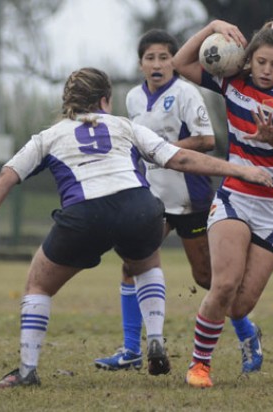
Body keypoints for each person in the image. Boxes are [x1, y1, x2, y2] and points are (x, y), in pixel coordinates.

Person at [0, 67, 272, 388]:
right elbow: (180, 159)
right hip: (138, 208)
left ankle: (28, 370)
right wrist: (239, 171)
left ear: (68, 104)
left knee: (38, 286)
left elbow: (7, 175)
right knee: (146, 263)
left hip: (85, 215)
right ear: (105, 100)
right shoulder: (125, 126)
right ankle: (155, 339)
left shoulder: (48, 136)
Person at [172, 19, 273, 388]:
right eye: (261, 62)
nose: (267, 71)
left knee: (239, 305)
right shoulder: (232, 81)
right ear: (248, 59)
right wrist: (212, 27)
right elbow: (181, 63)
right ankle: (199, 367)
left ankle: (249, 333)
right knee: (223, 286)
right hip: (236, 195)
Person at [94, 29, 235, 371]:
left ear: (174, 61)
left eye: (164, 57)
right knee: (132, 266)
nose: (157, 64)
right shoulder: (133, 99)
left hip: (192, 198)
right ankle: (131, 351)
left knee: (206, 278)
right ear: (140, 63)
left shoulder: (186, 94)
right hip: (153, 199)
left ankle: (248, 334)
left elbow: (206, 140)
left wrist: (162, 151)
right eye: (150, 58)